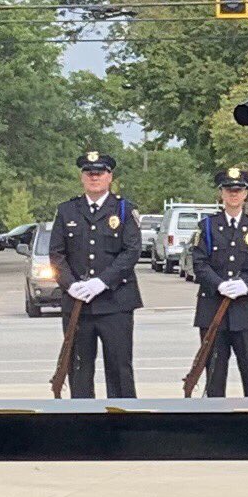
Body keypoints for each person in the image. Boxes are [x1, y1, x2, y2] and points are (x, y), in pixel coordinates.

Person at [49, 152, 142, 398]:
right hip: (78, 304)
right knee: (78, 369)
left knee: (119, 369)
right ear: (82, 178)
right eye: (89, 174)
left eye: (99, 173)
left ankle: (122, 426)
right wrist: (70, 285)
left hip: (115, 302)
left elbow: (131, 252)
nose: (94, 178)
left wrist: (102, 282)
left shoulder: (124, 210)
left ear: (109, 177)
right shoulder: (67, 210)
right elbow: (56, 255)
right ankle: (83, 426)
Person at [190, 169, 248, 397]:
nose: (234, 195)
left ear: (246, 194)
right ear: (221, 194)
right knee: (214, 375)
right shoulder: (206, 226)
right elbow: (199, 263)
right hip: (213, 308)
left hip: (245, 310)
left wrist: (246, 285)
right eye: (229, 190)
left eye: (238, 190)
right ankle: (215, 424)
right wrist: (218, 284)